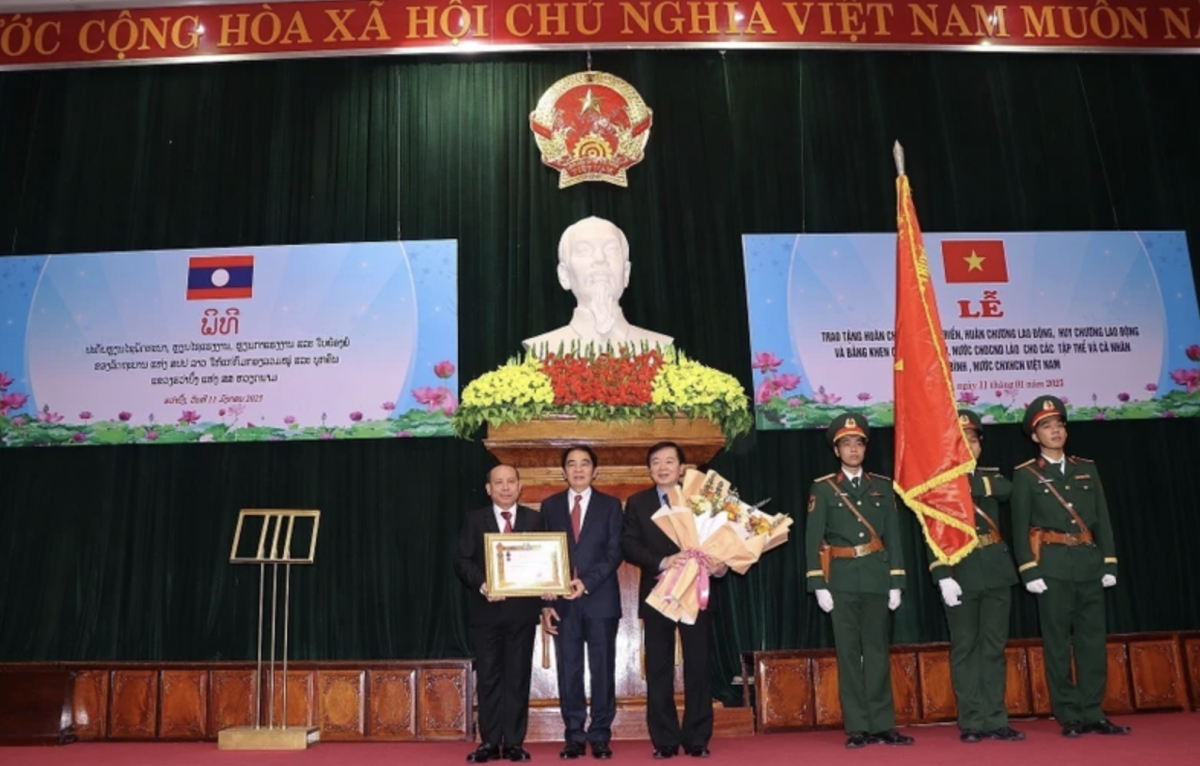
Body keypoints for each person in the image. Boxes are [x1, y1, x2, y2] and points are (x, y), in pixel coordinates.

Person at [1011, 395, 1129, 738]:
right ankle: (1069, 714)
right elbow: (1019, 526)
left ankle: (1093, 710)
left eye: (1059, 425)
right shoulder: (1027, 475)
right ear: (1035, 436)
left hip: (1089, 564)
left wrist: (1109, 561)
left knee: (1093, 641)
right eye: (1046, 427)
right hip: (1053, 566)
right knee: (1058, 642)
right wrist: (1029, 569)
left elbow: (1103, 520)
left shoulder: (1086, 468)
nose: (1055, 431)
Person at [805, 413, 913, 749]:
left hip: (877, 576)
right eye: (846, 444)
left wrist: (896, 580)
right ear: (837, 451)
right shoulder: (823, 488)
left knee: (878, 652)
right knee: (849, 654)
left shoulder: (881, 486)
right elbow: (812, 539)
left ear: (865, 448)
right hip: (842, 578)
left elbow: (893, 536)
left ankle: (883, 723)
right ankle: (858, 726)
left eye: (858, 443)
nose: (853, 449)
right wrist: (818, 584)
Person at [622, 441, 727, 760]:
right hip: (659, 593)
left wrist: (721, 564)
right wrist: (663, 561)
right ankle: (664, 738)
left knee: (698, 665)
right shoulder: (638, 503)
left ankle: (697, 737)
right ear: (649, 469)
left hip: (697, 590)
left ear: (682, 468)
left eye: (670, 461)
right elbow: (628, 544)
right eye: (656, 462)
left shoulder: (702, 500)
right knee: (658, 667)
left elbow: (722, 538)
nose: (663, 467)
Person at [927, 410, 1023, 744]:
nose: (969, 443)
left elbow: (1006, 489)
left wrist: (964, 480)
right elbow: (933, 531)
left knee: (994, 648)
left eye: (974, 438)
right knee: (966, 647)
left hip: (996, 569)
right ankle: (971, 720)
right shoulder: (937, 483)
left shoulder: (991, 476)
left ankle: (996, 718)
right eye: (962, 438)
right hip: (960, 570)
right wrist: (942, 574)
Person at [454, 464, 545, 763]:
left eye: (510, 482)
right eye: (498, 482)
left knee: (518, 678)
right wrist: (483, 585)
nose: (505, 487)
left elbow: (546, 561)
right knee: (489, 679)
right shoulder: (473, 520)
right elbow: (462, 561)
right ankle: (489, 743)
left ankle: (515, 743)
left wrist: (547, 587)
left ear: (520, 486)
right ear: (488, 488)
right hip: (486, 613)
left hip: (522, 613)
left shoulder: (535, 519)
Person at [541, 445, 625, 759]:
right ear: (564, 471)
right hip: (562, 604)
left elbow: (615, 552)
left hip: (600, 600)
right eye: (572, 464)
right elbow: (541, 554)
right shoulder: (549, 506)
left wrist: (586, 582)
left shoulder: (611, 506)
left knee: (603, 670)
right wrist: (545, 602)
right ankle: (574, 735)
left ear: (594, 470)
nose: (578, 469)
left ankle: (601, 734)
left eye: (584, 464)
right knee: (569, 671)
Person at [522, 217, 673, 351]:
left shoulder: (660, 347)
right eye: (583, 250)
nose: (600, 259)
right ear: (564, 275)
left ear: (626, 273)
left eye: (611, 250)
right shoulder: (542, 349)